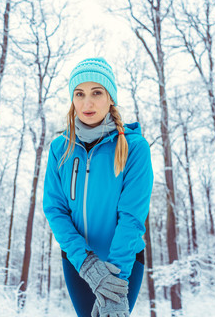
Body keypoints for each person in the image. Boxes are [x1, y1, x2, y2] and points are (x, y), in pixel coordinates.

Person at [43, 57, 154, 317]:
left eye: (96, 92)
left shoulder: (135, 148)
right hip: (78, 262)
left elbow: (131, 217)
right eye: (79, 94)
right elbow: (55, 209)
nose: (87, 103)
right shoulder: (60, 149)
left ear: (110, 97)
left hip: (124, 263)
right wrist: (86, 263)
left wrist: (113, 281)